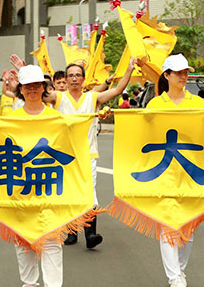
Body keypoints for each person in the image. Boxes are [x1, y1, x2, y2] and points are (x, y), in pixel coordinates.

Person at [41, 59, 137, 247]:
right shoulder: (57, 97)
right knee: (69, 193)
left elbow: (117, 91)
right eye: (71, 76)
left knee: (89, 193)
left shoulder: (92, 97)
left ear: (84, 79)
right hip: (65, 156)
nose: (74, 79)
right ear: (65, 80)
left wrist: (129, 70)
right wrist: (22, 74)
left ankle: (90, 234)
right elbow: (37, 95)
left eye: (78, 75)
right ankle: (71, 232)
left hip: (88, 154)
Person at [146, 53, 204, 287]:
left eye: (185, 72)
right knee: (168, 225)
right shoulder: (155, 105)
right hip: (164, 173)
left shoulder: (199, 104)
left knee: (188, 227)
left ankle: (179, 271)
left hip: (190, 173)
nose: (183, 76)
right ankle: (174, 278)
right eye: (178, 72)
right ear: (167, 76)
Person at [11, 65, 65, 287]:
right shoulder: (10, 119)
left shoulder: (56, 117)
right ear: (20, 89)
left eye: (37, 85)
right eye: (27, 86)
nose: (32, 89)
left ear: (44, 87)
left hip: (50, 186)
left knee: (51, 238)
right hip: (20, 188)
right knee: (24, 240)